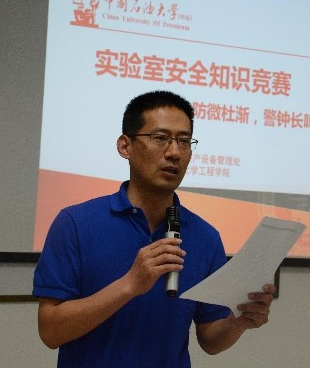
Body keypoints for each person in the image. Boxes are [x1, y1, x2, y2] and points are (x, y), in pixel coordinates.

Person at [33, 90, 274, 367]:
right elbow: (50, 332)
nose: (174, 153)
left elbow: (210, 339)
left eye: (184, 141)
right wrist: (130, 284)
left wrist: (238, 322)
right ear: (125, 146)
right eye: (160, 138)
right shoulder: (76, 223)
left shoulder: (205, 237)